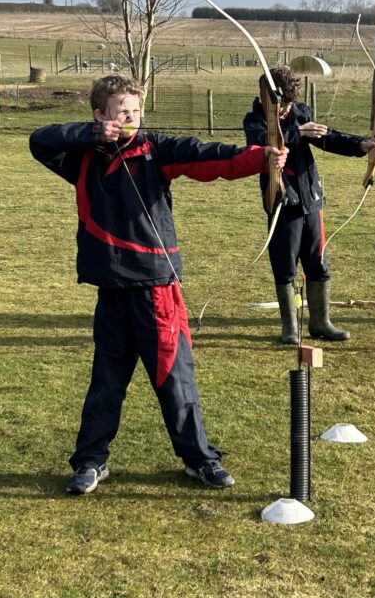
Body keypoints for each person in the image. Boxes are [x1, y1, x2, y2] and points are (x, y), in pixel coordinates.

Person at [30, 73, 287, 494]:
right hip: (111, 287)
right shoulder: (82, 157)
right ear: (99, 116)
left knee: (174, 377)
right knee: (106, 381)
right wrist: (93, 134)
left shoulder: (157, 150)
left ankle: (199, 459)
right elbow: (40, 140)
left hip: (156, 288)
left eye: (134, 111)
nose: (129, 119)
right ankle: (91, 461)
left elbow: (208, 157)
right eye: (119, 113)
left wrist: (260, 158)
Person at [243, 66, 375, 345]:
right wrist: (297, 131)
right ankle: (290, 327)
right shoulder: (254, 120)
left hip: (311, 199)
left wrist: (363, 145)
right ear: (266, 97)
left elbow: (327, 136)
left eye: (288, 104)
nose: (285, 110)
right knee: (285, 264)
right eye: (280, 104)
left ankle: (321, 322)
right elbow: (263, 143)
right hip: (282, 202)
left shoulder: (298, 114)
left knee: (317, 261)